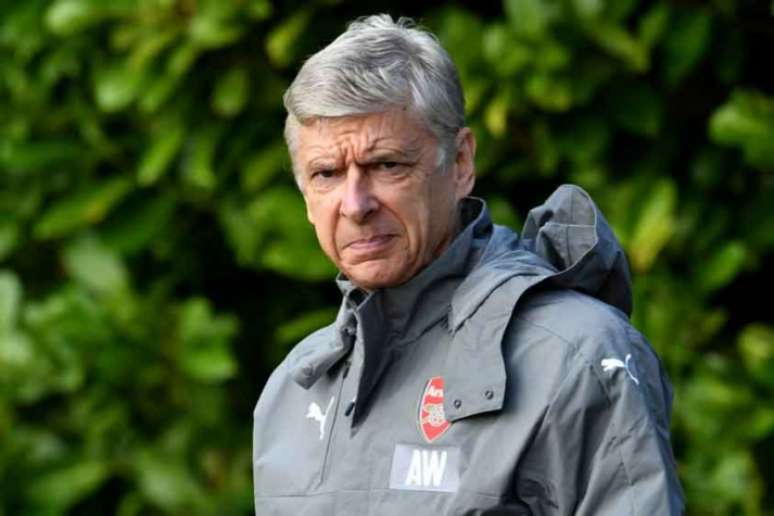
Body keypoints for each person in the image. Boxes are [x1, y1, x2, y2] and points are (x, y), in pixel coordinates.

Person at [252, 14, 684, 515]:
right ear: (305, 196)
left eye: (387, 164)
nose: (355, 203)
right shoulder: (292, 391)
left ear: (460, 163)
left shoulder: (576, 356)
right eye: (326, 173)